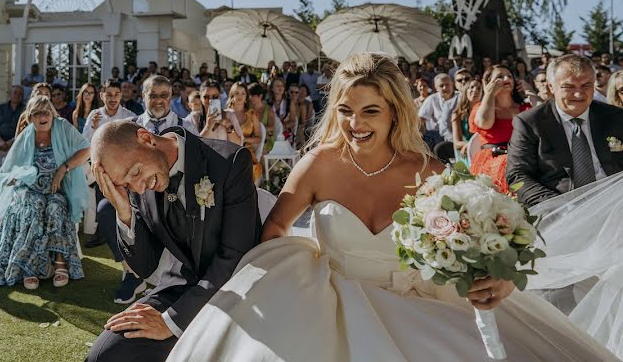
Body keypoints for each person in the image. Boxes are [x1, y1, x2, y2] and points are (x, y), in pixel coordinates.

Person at [165, 53, 617, 362]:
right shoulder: (317, 165)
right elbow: (275, 231)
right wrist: (283, 287)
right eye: (345, 110)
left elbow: (484, 238)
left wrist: (495, 278)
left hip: (425, 303)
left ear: (395, 112)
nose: (355, 124)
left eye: (370, 111)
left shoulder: (430, 170)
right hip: (333, 310)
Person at [86, 118, 261, 362]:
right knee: (105, 354)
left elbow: (235, 256)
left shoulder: (229, 161)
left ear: (147, 139)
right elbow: (145, 266)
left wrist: (171, 321)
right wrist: (124, 212)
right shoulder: (138, 189)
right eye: (126, 183)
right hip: (176, 290)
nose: (137, 186)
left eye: (135, 172)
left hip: (235, 295)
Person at [0, 95, 91, 289]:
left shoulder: (63, 128)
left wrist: (63, 169)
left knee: (55, 206)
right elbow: (9, 169)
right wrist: (17, 176)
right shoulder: (26, 136)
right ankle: (29, 267)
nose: (42, 116)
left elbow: (87, 149)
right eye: (36, 113)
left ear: (52, 114)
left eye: (46, 112)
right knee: (33, 206)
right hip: (30, 189)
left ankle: (60, 262)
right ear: (30, 117)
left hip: (58, 189)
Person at [97, 75, 187, 304]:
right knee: (107, 208)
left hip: (172, 193)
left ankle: (171, 275)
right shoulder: (130, 124)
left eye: (164, 95)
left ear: (171, 97)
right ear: (143, 96)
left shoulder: (186, 125)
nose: (158, 101)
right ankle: (132, 272)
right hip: (136, 193)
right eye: (153, 95)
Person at [506, 54, 623, 207]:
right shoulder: (530, 123)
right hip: (561, 206)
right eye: (569, 87)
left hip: (614, 202)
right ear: (551, 87)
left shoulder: (615, 116)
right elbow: (518, 175)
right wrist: (558, 206)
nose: (579, 94)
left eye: (586, 85)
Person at [469, 64, 531, 193]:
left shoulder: (525, 108)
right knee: (507, 164)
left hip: (523, 155)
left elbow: (546, 119)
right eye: (499, 77)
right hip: (494, 157)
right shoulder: (480, 108)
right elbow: (485, 123)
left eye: (509, 76)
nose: (506, 79)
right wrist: (489, 93)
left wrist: (530, 91)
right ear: (488, 82)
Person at [183, 80, 243, 146]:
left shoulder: (229, 115)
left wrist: (229, 127)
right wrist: (208, 127)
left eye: (215, 97)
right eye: (206, 97)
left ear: (220, 97)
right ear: (200, 98)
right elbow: (192, 146)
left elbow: (239, 144)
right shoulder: (193, 118)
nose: (210, 100)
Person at [226, 82, 263, 182]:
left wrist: (242, 140)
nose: (240, 96)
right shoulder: (225, 114)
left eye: (243, 93)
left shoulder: (251, 114)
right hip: (228, 151)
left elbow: (258, 138)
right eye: (237, 93)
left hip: (247, 151)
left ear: (246, 96)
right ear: (232, 95)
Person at [0, 85, 25, 170]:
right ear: (10, 94)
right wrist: (0, 141)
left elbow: (26, 128)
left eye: (20, 94)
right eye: (15, 93)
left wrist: (12, 141)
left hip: (17, 144)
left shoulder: (25, 110)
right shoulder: (0, 108)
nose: (17, 95)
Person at [451, 78, 483, 166]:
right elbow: (457, 143)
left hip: (483, 149)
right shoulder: (456, 113)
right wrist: (469, 145)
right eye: (471, 87)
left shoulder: (486, 112)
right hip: (465, 152)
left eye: (479, 88)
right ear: (466, 91)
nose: (475, 90)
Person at [267, 77, 297, 145]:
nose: (280, 88)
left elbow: (293, 121)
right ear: (272, 88)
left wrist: (283, 126)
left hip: (286, 134)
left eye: (282, 86)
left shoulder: (289, 103)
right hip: (271, 134)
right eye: (277, 86)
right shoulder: (268, 104)